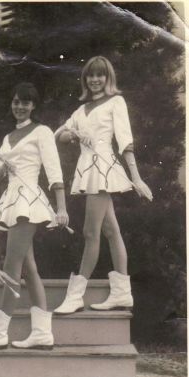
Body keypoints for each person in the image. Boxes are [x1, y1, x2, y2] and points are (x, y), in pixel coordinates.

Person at [0, 82, 69, 352]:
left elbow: (54, 169)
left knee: (12, 264)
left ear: (33, 106)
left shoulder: (42, 132)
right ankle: (42, 332)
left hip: (29, 201)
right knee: (29, 266)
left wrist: (61, 208)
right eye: (16, 102)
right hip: (12, 199)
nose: (20, 107)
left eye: (25, 102)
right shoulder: (8, 137)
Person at [54, 56, 153, 314]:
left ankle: (76, 295)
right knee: (111, 231)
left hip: (103, 168)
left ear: (108, 78)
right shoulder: (81, 110)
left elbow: (125, 140)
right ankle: (122, 293)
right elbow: (58, 135)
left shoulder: (115, 102)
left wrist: (136, 176)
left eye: (100, 75)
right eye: (90, 75)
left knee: (90, 232)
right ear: (85, 79)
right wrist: (74, 134)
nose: (95, 80)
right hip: (87, 168)